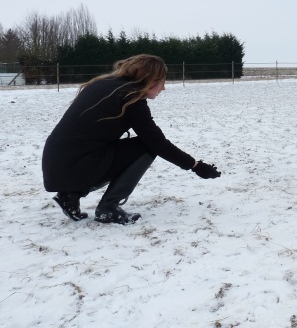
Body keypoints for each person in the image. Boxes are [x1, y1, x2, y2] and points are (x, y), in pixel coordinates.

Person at [42, 54, 221, 225]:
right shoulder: (131, 99)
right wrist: (195, 166)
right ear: (151, 80)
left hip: (57, 163)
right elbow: (158, 143)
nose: (163, 88)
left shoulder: (103, 84)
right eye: (162, 82)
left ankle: (69, 196)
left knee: (116, 146)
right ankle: (109, 207)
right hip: (76, 165)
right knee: (146, 146)